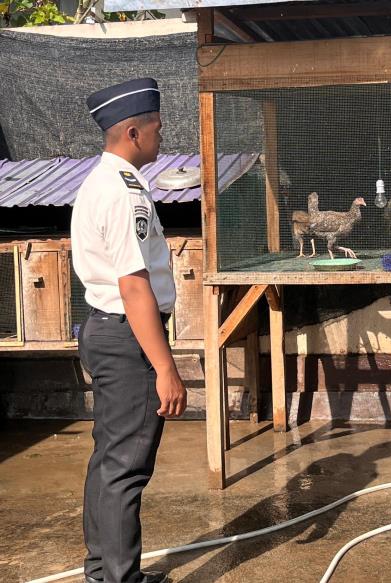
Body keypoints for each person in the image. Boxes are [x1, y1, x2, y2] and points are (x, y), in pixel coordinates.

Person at [72, 78, 187, 583]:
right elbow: (135, 285)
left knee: (109, 461)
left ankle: (103, 572)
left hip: (106, 329)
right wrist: (165, 369)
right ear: (133, 133)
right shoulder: (123, 192)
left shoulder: (100, 182)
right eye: (156, 129)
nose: (162, 137)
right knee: (126, 468)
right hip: (127, 337)